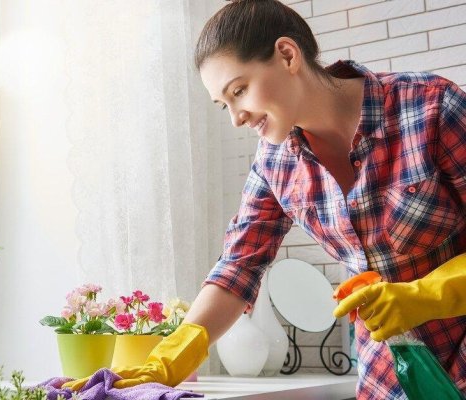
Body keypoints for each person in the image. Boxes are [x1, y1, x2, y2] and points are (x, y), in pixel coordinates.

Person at [62, 0, 466, 398]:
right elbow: (238, 267)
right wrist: (166, 363)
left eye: (239, 90)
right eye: (225, 104)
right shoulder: (275, 164)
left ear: (287, 55)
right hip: (389, 378)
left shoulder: (430, 107)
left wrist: (426, 296)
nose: (236, 116)